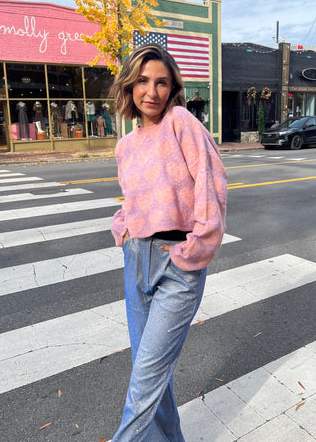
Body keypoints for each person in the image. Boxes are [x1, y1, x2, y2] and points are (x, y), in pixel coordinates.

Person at [110, 43, 227, 442]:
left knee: (144, 383)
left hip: (176, 264)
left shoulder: (180, 121)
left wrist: (192, 251)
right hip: (136, 260)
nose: (151, 92)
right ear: (129, 86)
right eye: (142, 81)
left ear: (173, 87)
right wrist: (123, 229)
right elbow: (133, 197)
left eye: (161, 82)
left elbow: (211, 187)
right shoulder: (125, 145)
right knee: (151, 377)